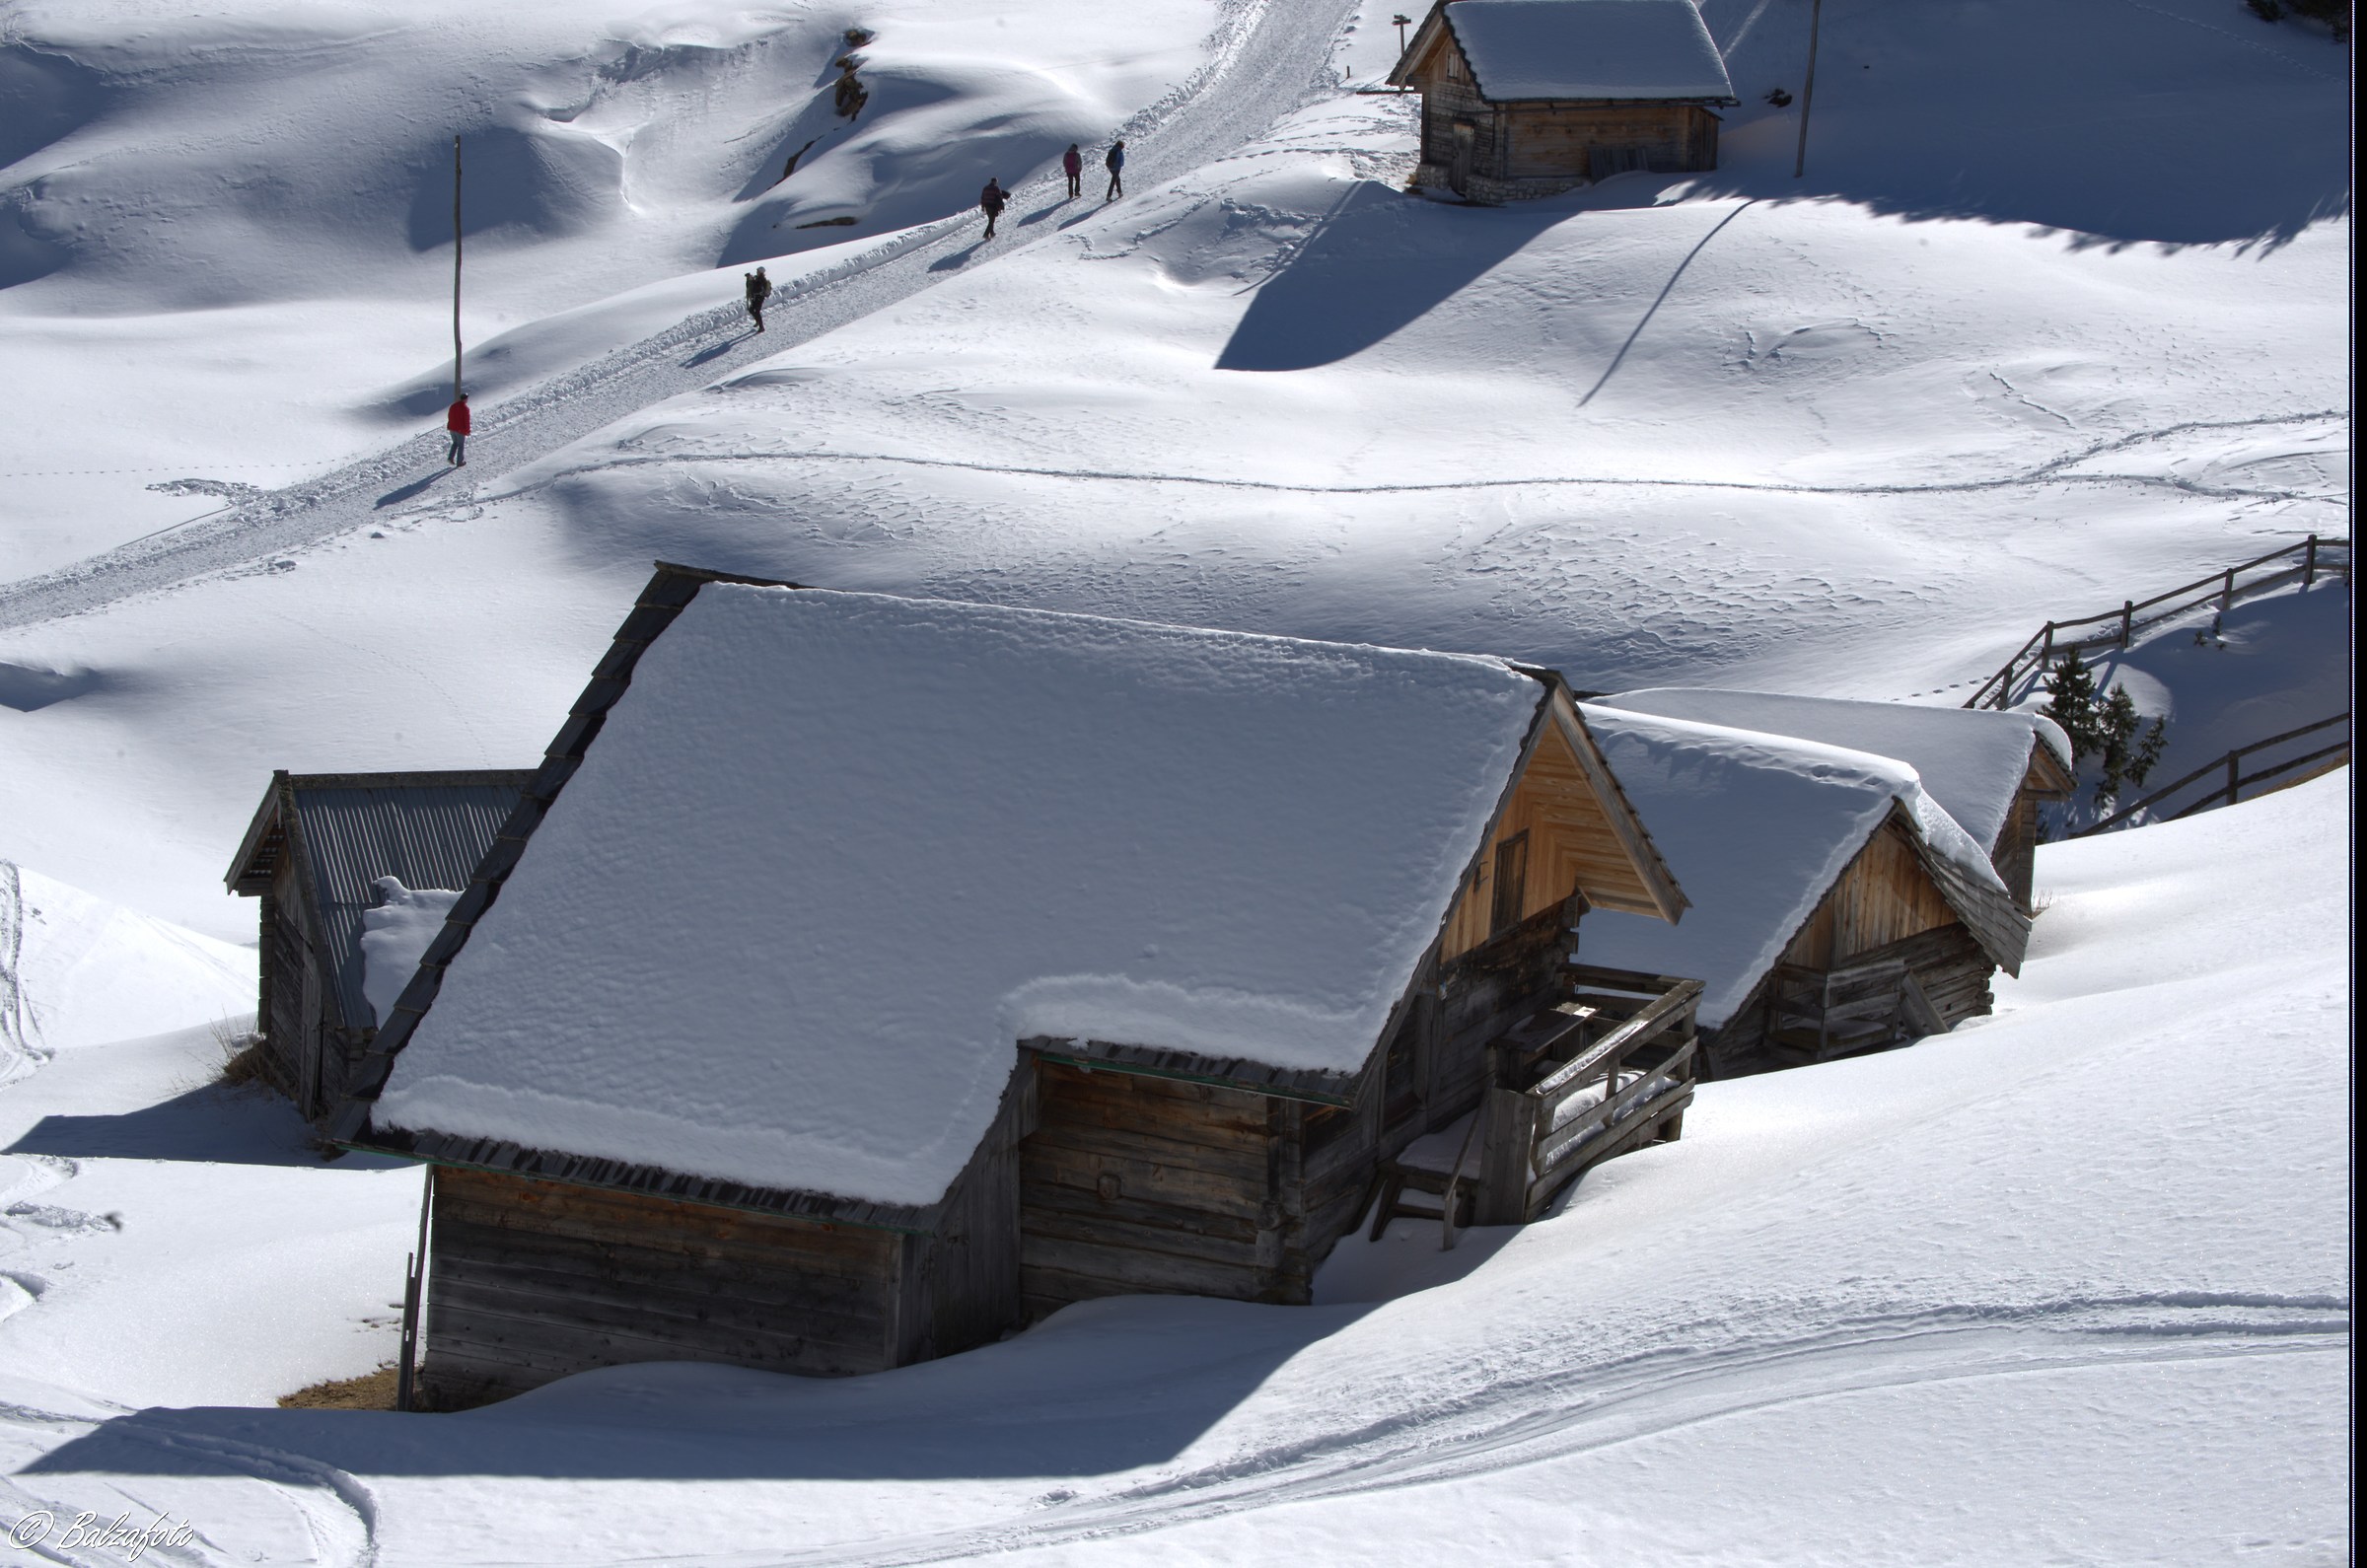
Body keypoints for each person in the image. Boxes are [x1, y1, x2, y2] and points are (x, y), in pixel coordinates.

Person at [445, 392, 469, 466]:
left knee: (455, 443)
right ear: (465, 399)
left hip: (452, 428)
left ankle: (450, 457)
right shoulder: (465, 408)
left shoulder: (453, 406)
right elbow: (466, 420)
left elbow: (449, 416)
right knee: (461, 445)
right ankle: (459, 462)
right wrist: (467, 430)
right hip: (460, 430)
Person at [745, 265, 773, 332]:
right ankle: (758, 321)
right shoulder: (758, 278)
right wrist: (749, 279)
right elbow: (750, 286)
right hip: (756, 297)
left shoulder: (762, 279)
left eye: (758, 271)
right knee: (751, 309)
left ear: (760, 272)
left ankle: (761, 327)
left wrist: (752, 280)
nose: (757, 272)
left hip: (759, 297)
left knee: (757, 311)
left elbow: (757, 288)